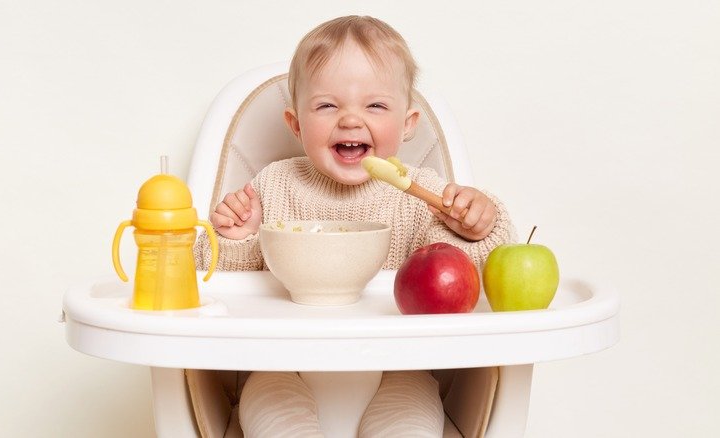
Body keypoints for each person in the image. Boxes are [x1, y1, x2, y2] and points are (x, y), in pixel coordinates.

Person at [195, 15, 516, 437]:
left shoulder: (424, 195)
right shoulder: (273, 186)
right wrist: (237, 237)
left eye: (376, 106)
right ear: (295, 124)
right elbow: (208, 278)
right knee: (272, 410)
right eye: (327, 105)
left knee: (411, 423)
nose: (350, 120)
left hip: (399, 366)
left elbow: (476, 273)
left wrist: (479, 225)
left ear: (407, 124)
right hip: (283, 364)